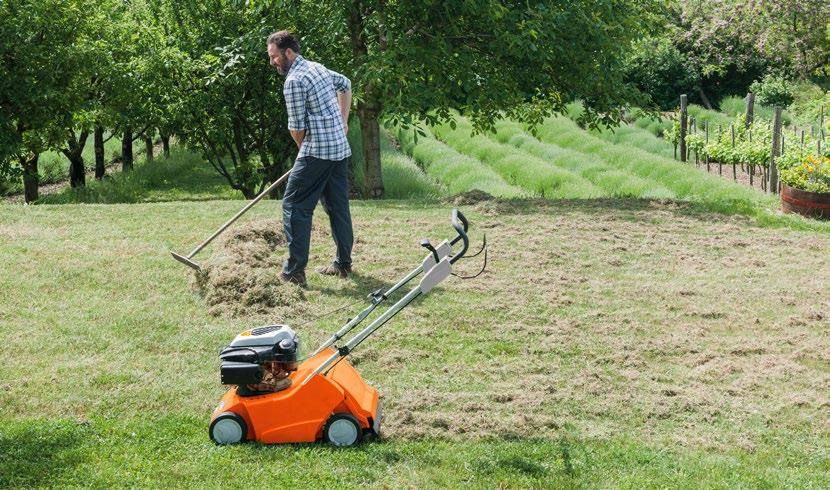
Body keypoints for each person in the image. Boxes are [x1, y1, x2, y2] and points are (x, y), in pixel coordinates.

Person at [267, 30, 354, 287]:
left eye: (274, 57)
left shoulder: (294, 81)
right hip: (339, 150)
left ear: (289, 53)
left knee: (294, 207)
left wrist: (303, 153)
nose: (273, 62)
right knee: (338, 207)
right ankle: (343, 263)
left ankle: (294, 271)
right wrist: (343, 122)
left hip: (318, 152)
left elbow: (296, 128)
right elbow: (346, 84)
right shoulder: (317, 67)